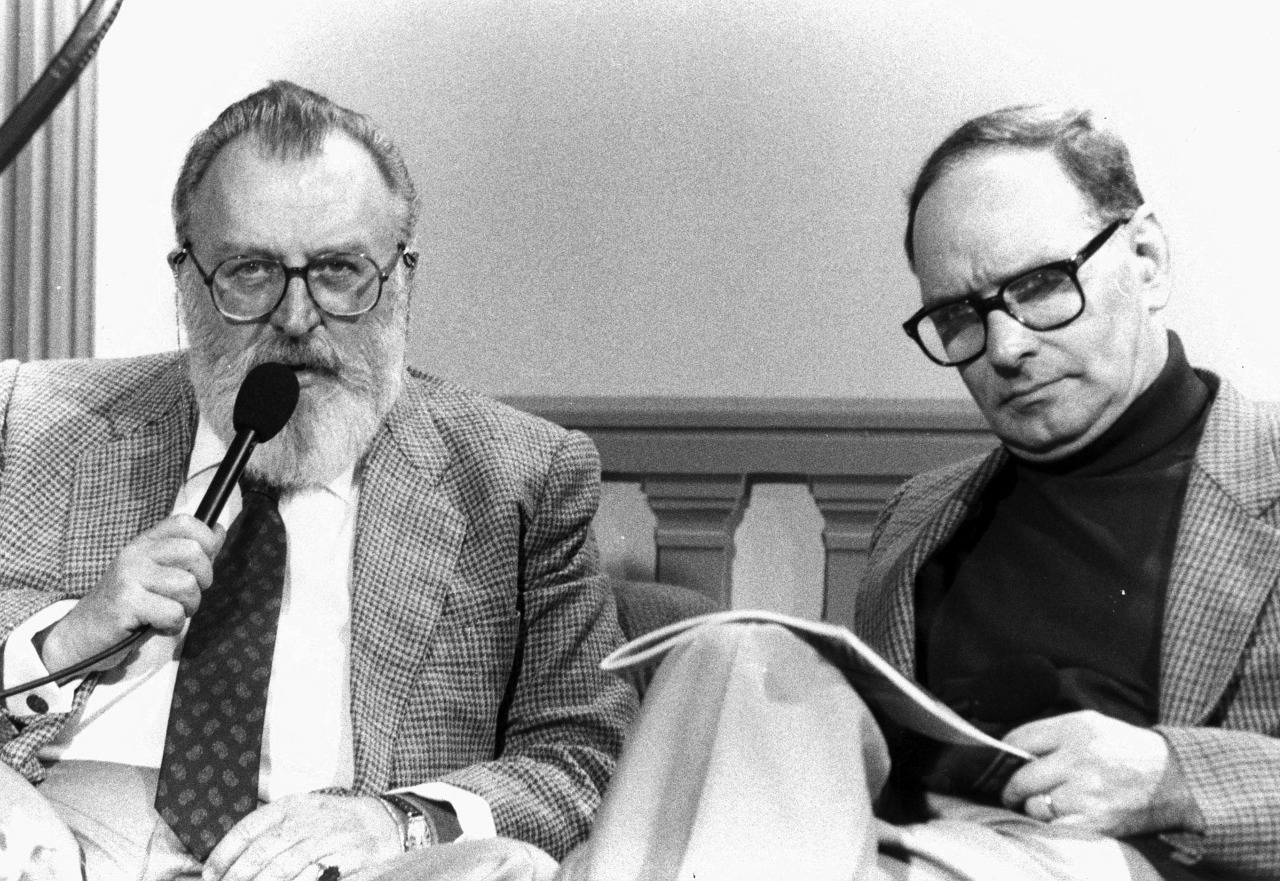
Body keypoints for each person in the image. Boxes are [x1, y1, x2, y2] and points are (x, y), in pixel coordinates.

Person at [561, 105, 1279, 880]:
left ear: (1147, 258)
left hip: (1113, 861)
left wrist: (1173, 775)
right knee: (733, 652)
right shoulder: (922, 515)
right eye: (960, 315)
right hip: (882, 851)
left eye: (1041, 285)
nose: (1005, 347)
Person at [0, 80, 635, 881]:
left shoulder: (521, 476)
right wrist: (63, 640)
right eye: (251, 270)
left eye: (339, 270)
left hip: (341, 866)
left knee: (503, 867)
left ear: (402, 279)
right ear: (187, 281)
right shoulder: (30, 421)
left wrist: (397, 822)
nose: (297, 317)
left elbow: (581, 755)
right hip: (55, 841)